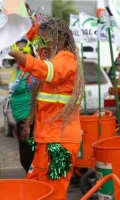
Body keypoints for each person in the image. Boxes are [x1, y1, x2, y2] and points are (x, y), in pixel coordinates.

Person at [9, 18, 84, 200]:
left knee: (53, 194)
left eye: (44, 41)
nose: (40, 46)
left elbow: (50, 72)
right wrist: (25, 16)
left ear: (59, 39)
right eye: (39, 41)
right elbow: (37, 35)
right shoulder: (53, 55)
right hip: (46, 139)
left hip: (60, 142)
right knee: (36, 186)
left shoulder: (66, 58)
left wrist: (21, 57)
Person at [8, 39, 36, 173]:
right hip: (21, 120)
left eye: (24, 51)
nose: (20, 54)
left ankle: (37, 188)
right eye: (17, 51)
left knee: (29, 160)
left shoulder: (32, 71)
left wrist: (27, 125)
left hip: (29, 121)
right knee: (26, 160)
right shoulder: (17, 70)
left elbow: (36, 99)